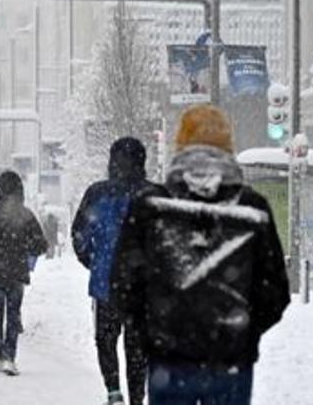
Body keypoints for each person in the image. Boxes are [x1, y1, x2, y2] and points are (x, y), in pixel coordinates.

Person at [111, 105, 289, 405]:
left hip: (169, 358)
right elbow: (274, 290)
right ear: (228, 148)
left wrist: (151, 332)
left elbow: (123, 283)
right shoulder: (251, 208)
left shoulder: (151, 207)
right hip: (231, 361)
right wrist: (243, 331)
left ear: (180, 146)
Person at [73, 137, 153, 405]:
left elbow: (79, 235)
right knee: (137, 347)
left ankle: (113, 390)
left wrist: (94, 262)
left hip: (106, 284)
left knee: (105, 340)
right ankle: (137, 399)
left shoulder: (97, 193)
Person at [0, 171, 47, 375]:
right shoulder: (26, 215)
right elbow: (39, 245)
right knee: (14, 314)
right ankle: (10, 356)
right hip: (17, 271)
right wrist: (24, 246)